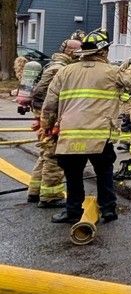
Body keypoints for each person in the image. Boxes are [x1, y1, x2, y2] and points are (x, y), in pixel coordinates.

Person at [39, 29, 131, 224]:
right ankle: (108, 210)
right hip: (100, 135)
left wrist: (46, 127)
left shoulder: (65, 72)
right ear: (103, 51)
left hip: (71, 135)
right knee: (104, 173)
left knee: (73, 175)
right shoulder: (111, 72)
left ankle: (72, 211)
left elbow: (49, 104)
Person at [26, 38, 80, 207]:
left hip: (42, 115)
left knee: (44, 155)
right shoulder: (60, 69)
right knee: (55, 157)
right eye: (78, 51)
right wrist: (52, 121)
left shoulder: (51, 64)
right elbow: (51, 98)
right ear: (70, 51)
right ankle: (51, 196)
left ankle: (34, 191)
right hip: (51, 118)